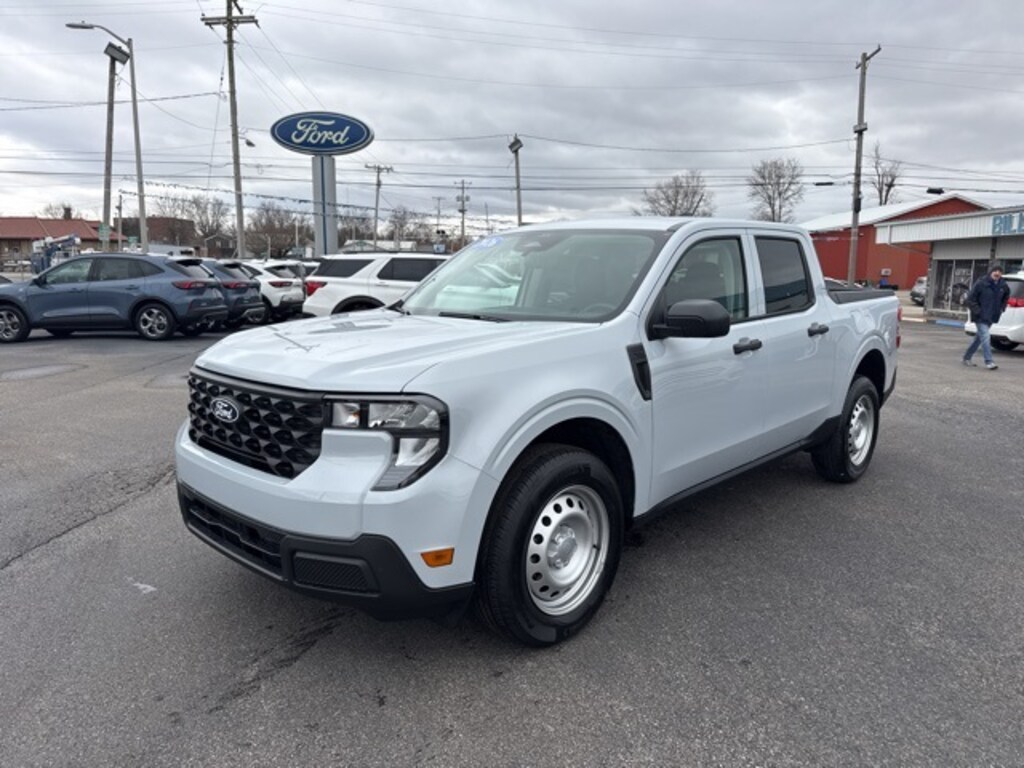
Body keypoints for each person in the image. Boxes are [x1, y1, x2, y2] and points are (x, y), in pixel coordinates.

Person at [962, 261, 1011, 370]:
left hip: (991, 316)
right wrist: (978, 311)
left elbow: (1006, 295)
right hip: (980, 316)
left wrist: (1002, 307)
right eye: (995, 271)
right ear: (990, 272)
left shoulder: (1003, 285)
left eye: (999, 271)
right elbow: (970, 299)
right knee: (986, 336)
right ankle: (989, 361)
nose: (997, 273)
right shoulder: (981, 283)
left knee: (979, 339)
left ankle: (966, 357)